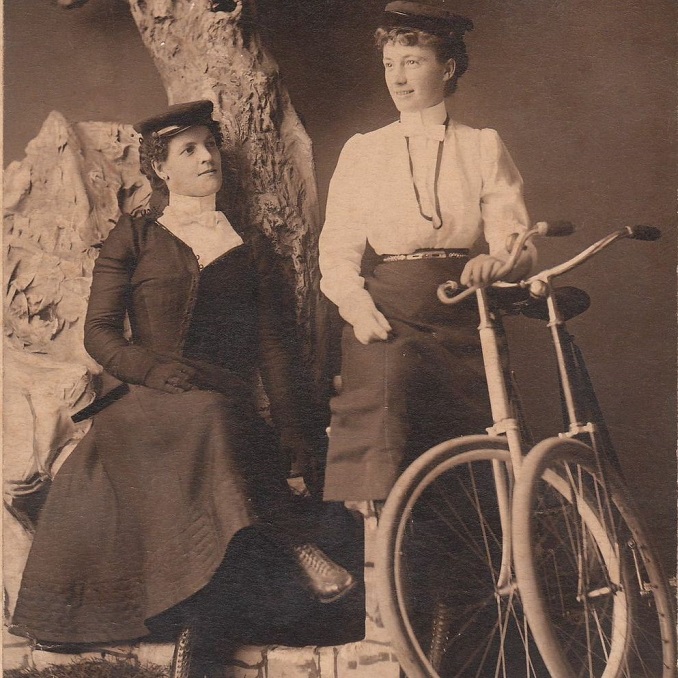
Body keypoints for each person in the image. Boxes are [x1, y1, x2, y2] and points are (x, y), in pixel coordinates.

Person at [10, 100, 354, 674]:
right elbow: (98, 333)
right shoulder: (137, 235)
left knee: (216, 421)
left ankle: (203, 630)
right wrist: (148, 369)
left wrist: (296, 440)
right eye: (188, 150)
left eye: (210, 146)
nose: (206, 157)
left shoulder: (249, 247)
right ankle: (295, 548)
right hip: (144, 400)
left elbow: (274, 349)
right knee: (191, 429)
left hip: (221, 400)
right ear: (161, 170)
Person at [319, 1, 536, 502]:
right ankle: (381, 563)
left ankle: (495, 563)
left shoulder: (482, 145)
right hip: (389, 313)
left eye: (412, 61)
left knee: (482, 443)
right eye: (390, 64)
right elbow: (336, 251)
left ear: (448, 67)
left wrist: (499, 261)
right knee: (384, 431)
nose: (397, 78)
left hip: (467, 309)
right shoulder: (363, 150)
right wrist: (358, 309)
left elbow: (517, 242)